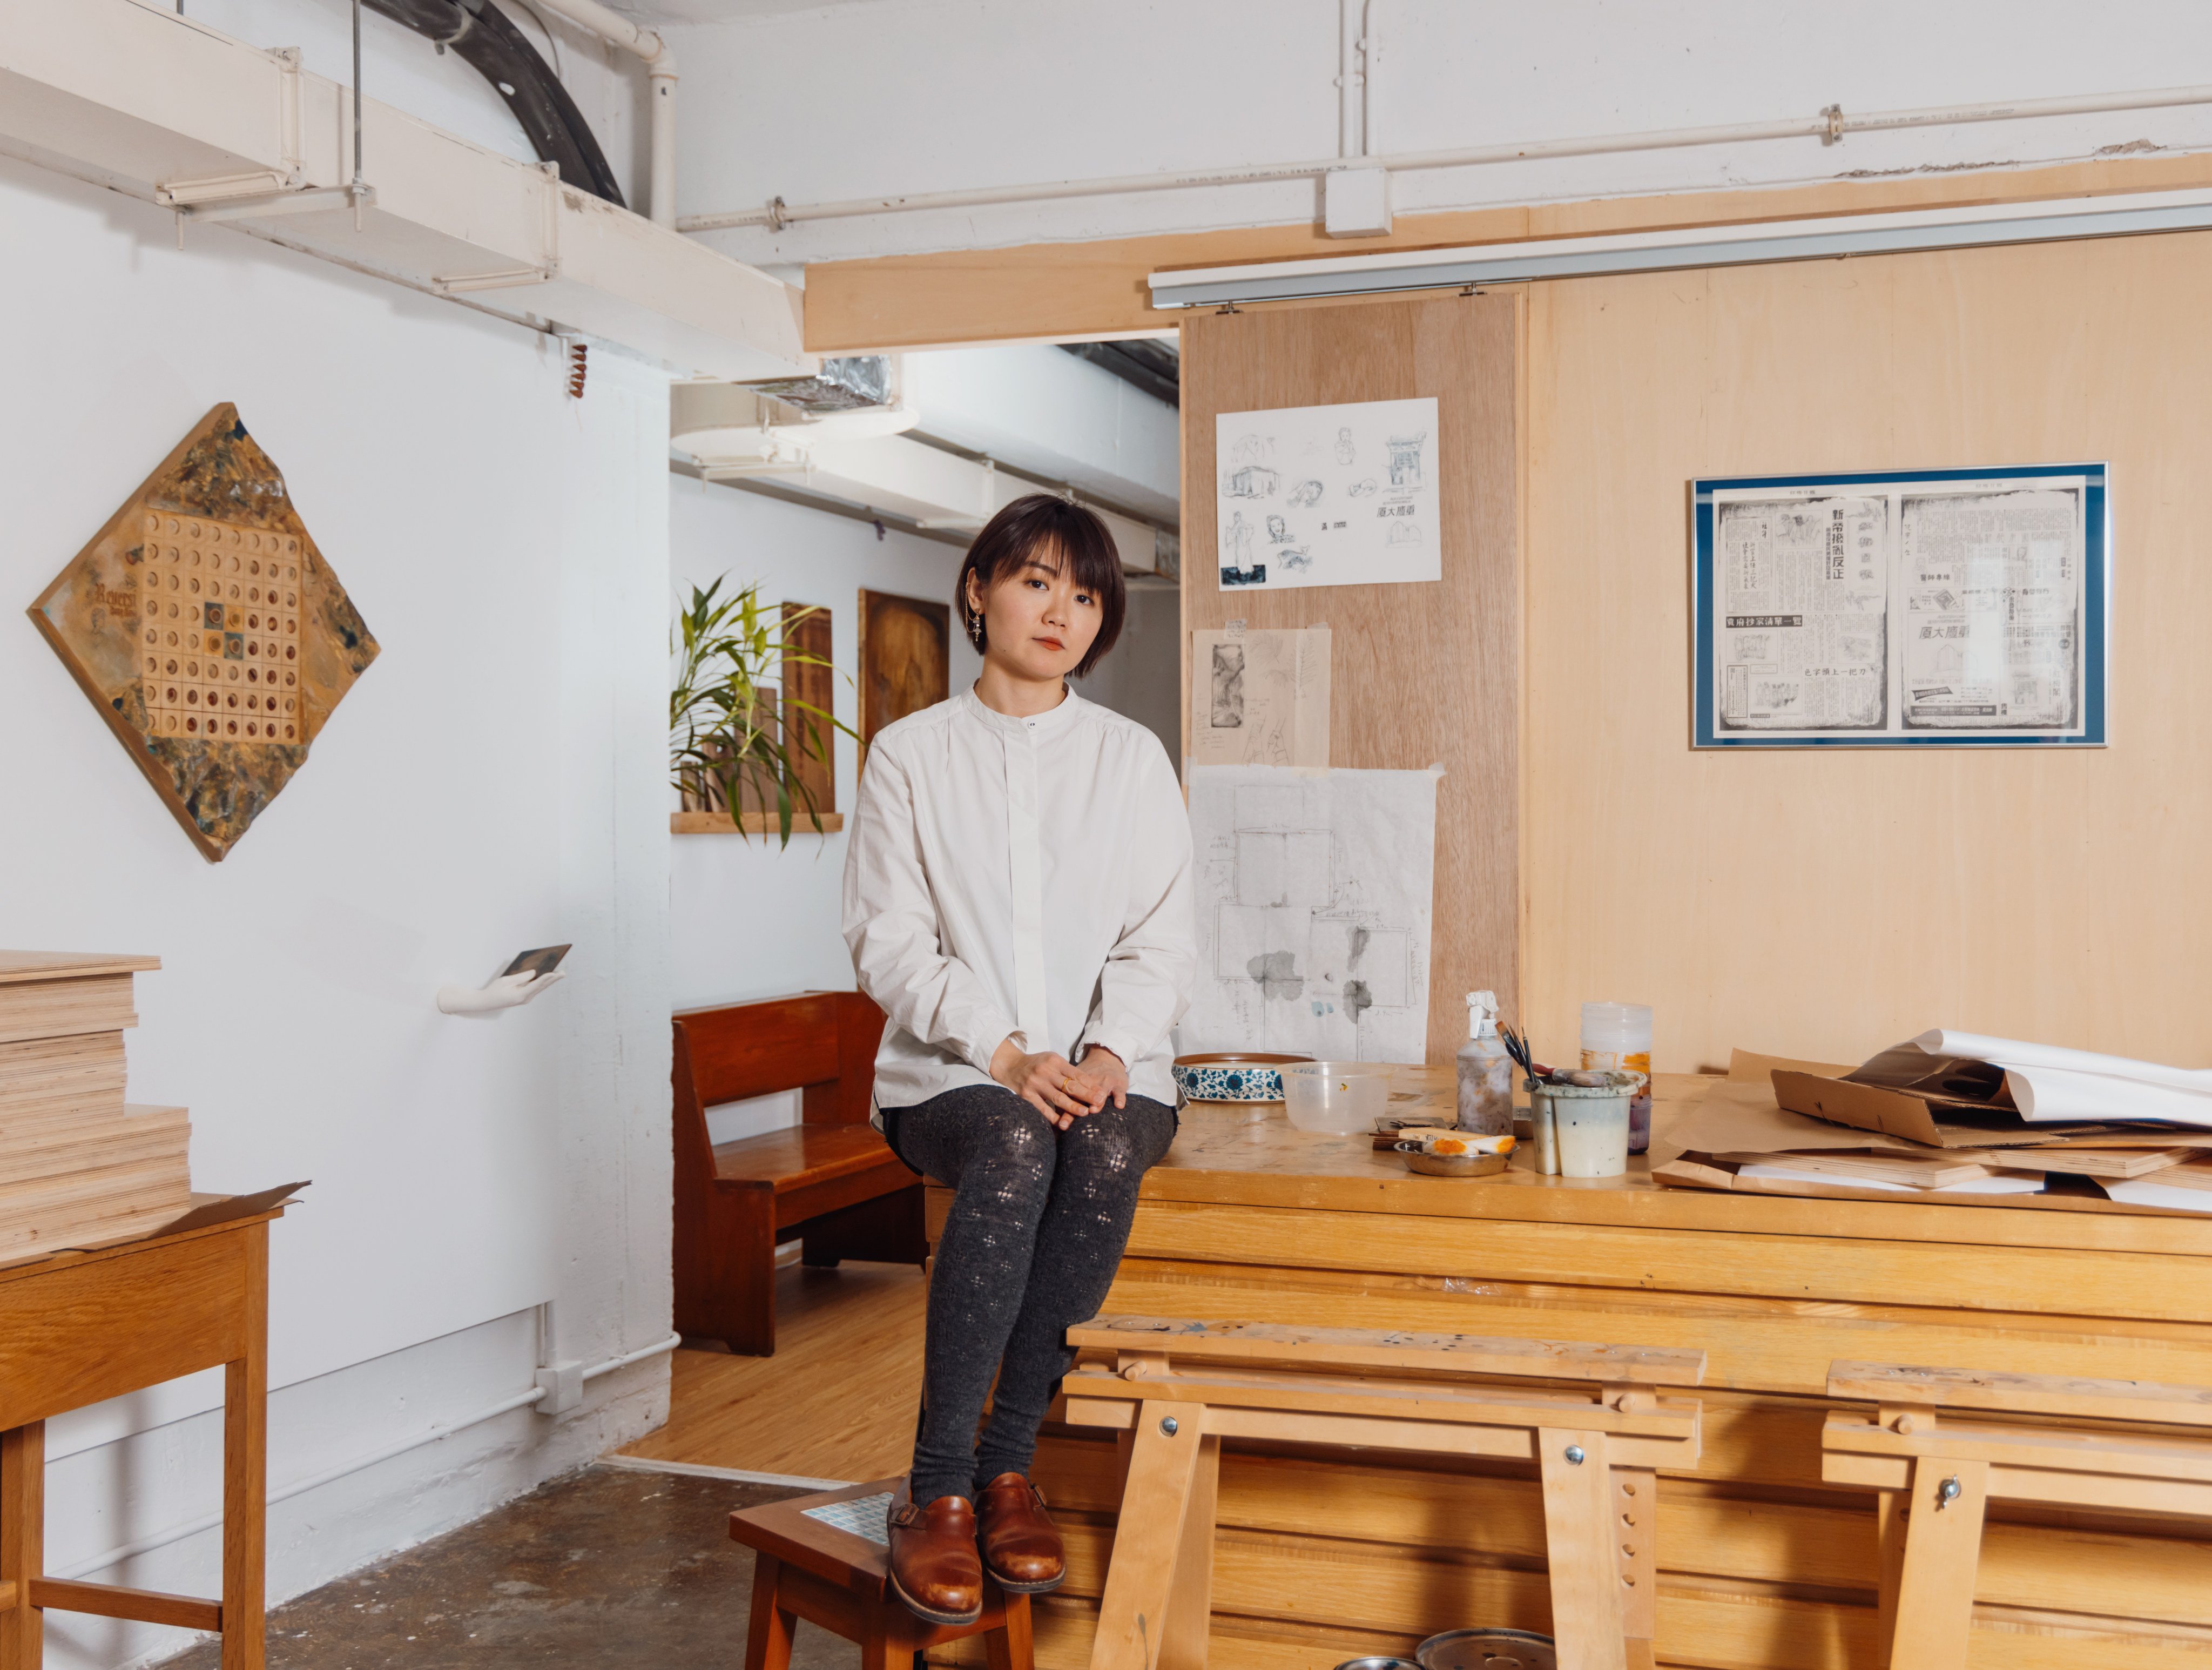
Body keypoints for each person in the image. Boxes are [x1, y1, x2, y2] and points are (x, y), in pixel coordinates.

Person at [841, 494, 1196, 1626]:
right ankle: (936, 1488)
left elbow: (1161, 933)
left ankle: (1005, 1466)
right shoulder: (909, 755)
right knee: (1007, 1137)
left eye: (1086, 594)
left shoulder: (1130, 760)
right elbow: (886, 939)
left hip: (1114, 1069)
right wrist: (1000, 1050)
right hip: (949, 1075)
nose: (1062, 611)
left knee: (1093, 1145)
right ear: (978, 587)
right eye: (1038, 580)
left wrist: (1103, 1051)